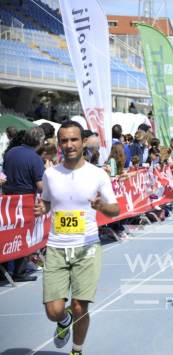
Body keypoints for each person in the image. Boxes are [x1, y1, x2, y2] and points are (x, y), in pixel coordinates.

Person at [34, 120, 119, 355]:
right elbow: (49, 201)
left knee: (81, 307)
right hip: (56, 248)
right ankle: (63, 320)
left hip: (87, 248)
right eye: (64, 140)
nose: (69, 144)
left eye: (74, 139)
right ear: (59, 144)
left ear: (83, 142)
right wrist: (44, 208)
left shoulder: (98, 174)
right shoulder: (51, 174)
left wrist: (102, 206)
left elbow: (116, 210)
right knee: (53, 311)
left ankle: (77, 350)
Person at [2, 127, 45, 282]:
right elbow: (40, 185)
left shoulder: (11, 152)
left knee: (7, 235)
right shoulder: (35, 159)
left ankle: (4, 272)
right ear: (40, 142)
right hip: (25, 201)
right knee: (25, 235)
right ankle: (19, 272)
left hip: (7, 199)